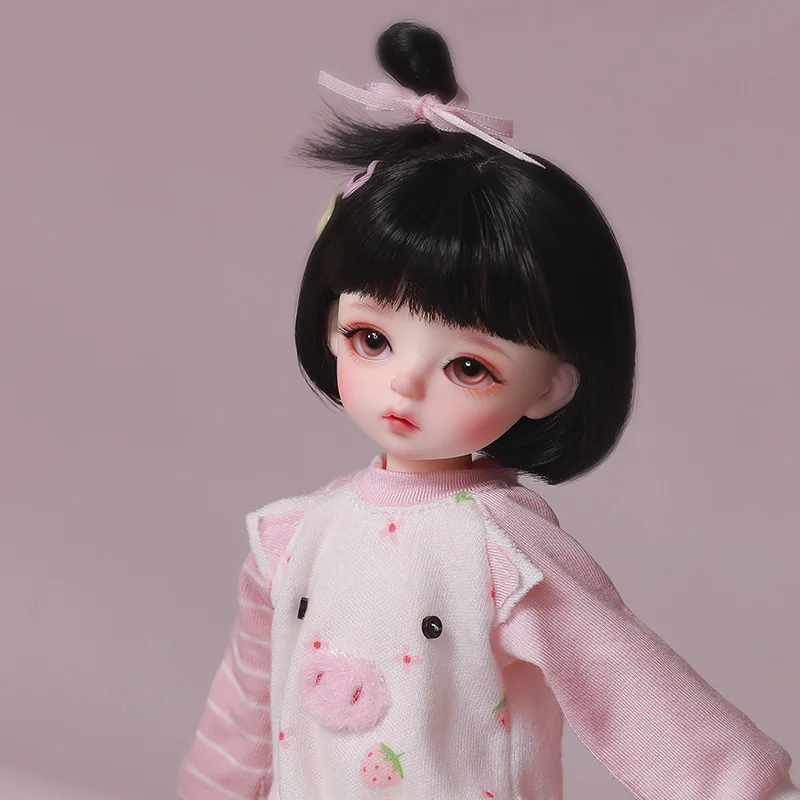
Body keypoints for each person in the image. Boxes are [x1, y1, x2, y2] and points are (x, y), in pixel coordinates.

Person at [177, 21, 797, 800]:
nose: (405, 386)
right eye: (372, 339)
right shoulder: (290, 537)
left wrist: (741, 785)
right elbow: (244, 713)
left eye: (468, 367)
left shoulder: (502, 552)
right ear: (331, 324)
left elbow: (631, 688)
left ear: (551, 387)